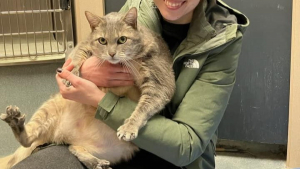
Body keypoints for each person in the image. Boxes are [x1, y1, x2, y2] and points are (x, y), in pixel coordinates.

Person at [12, 0, 249, 169]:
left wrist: (99, 99)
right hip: (101, 131)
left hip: (169, 152)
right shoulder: (137, 8)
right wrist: (84, 69)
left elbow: (186, 145)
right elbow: (91, 44)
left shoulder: (223, 38)